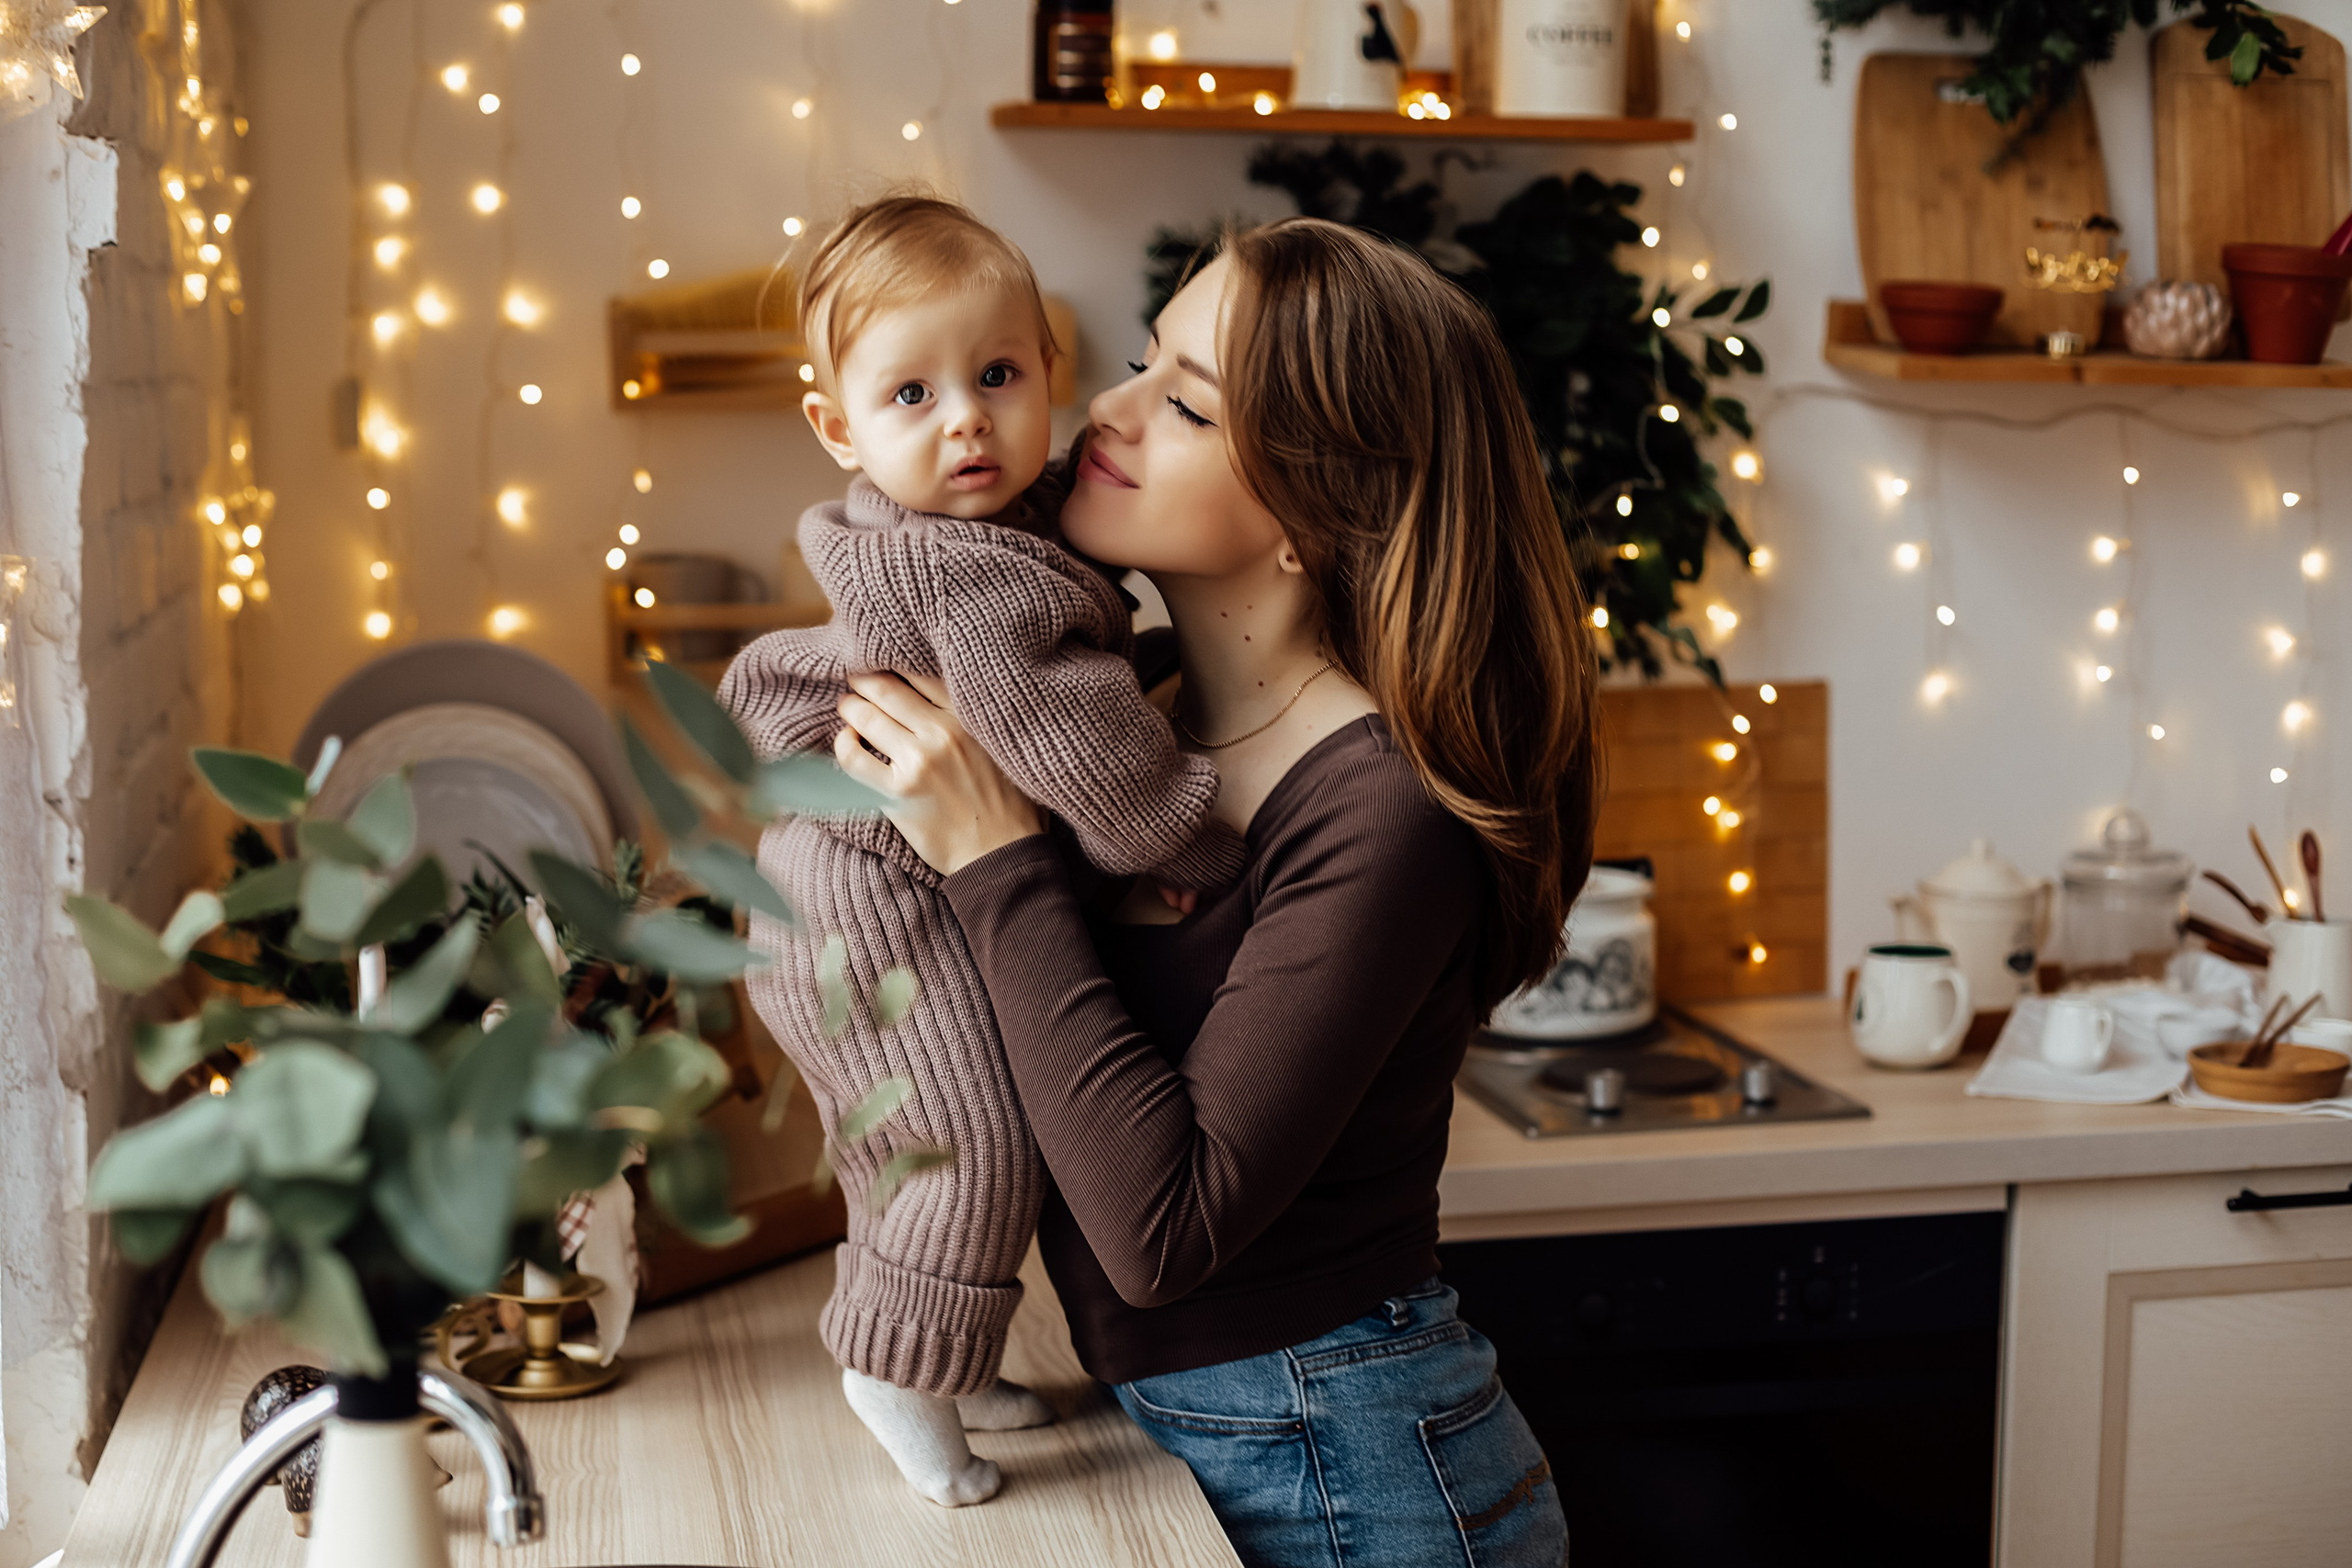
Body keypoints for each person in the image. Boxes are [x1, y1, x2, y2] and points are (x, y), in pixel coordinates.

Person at [826, 218, 1598, 1567]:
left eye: (1185, 402)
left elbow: (1162, 1232)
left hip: (1363, 1471)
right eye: (1140, 362)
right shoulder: (1134, 733)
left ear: (1319, 511)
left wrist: (995, 857)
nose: (1104, 411)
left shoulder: (1383, 811)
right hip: (1200, 1440)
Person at [718, 196, 1242, 1509]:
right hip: (866, 900)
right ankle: (896, 1372)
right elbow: (1083, 761)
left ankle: (945, 1354)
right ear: (836, 426)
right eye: (913, 394)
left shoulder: (982, 529)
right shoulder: (981, 585)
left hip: (843, 883)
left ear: (1049, 375)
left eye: (998, 376)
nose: (966, 419)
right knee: (970, 1140)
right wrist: (1193, 837)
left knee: (911, 1136)